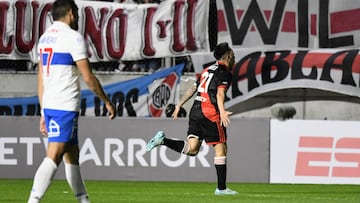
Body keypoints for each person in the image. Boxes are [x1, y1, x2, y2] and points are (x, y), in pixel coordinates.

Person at [27, 0, 116, 202]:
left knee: (71, 156)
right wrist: (107, 101)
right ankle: (33, 200)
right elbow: (88, 77)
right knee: (55, 155)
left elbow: (41, 77)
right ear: (71, 13)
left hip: (51, 104)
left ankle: (83, 199)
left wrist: (43, 111)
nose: (77, 17)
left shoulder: (45, 38)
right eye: (76, 12)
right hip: (64, 105)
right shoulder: (72, 38)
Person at [146, 42, 238, 195]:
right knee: (221, 147)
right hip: (210, 112)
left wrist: (179, 104)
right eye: (233, 55)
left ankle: (163, 140)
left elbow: (193, 89)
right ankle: (221, 189)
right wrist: (222, 111)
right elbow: (220, 94)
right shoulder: (224, 72)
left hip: (195, 111)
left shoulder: (207, 70)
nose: (234, 57)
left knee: (193, 149)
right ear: (227, 56)